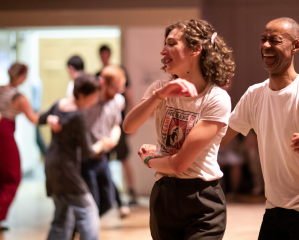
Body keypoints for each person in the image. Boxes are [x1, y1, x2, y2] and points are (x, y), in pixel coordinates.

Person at [220, 17, 299, 240]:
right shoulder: (254, 95)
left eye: (275, 40)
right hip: (274, 210)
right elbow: (219, 139)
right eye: (263, 39)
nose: (266, 46)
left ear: (296, 46)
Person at [123, 19, 235, 239]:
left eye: (171, 43)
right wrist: (159, 96)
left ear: (195, 49)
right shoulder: (159, 89)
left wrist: (149, 160)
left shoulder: (216, 98)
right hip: (163, 195)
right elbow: (129, 126)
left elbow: (179, 163)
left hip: (202, 199)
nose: (163, 51)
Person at [40, 73, 108, 240]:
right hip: (66, 169)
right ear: (83, 95)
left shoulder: (59, 104)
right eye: (95, 96)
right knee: (88, 210)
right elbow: (87, 152)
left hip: (51, 164)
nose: (96, 100)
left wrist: (49, 118)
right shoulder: (77, 117)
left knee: (61, 216)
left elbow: (40, 118)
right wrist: (101, 145)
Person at [0, 63, 40, 231]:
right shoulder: (18, 97)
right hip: (4, 134)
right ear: (22, 76)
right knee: (13, 176)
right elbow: (33, 118)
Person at [81, 66, 129, 218]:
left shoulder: (115, 102)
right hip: (85, 159)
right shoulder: (89, 102)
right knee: (91, 203)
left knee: (107, 202)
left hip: (102, 159)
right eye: (115, 88)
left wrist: (114, 138)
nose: (118, 92)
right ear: (103, 83)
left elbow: (116, 125)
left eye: (121, 88)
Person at [97, 45, 137, 204]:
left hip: (118, 126)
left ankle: (131, 192)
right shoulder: (97, 76)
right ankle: (108, 196)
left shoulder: (120, 74)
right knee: (102, 162)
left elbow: (129, 97)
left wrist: (132, 122)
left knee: (124, 159)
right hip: (102, 130)